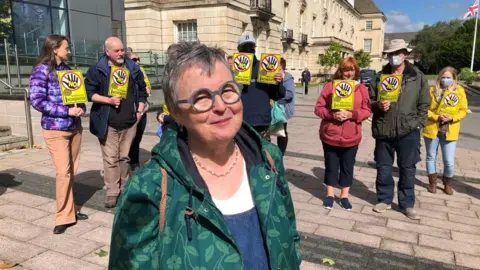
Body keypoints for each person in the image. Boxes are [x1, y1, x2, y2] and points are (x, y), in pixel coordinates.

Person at [109, 41, 301, 269]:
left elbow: (289, 235)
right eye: (201, 97)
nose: (220, 105)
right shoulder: (148, 188)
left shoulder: (268, 159)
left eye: (228, 90)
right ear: (176, 111)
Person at [29, 34, 88, 234]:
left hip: (74, 127)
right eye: (66, 47)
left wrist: (80, 108)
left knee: (71, 171)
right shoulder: (41, 71)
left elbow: (78, 97)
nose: (69, 51)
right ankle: (63, 216)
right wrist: (66, 111)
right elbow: (36, 100)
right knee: (63, 172)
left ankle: (70, 209)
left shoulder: (68, 71)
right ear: (55, 48)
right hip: (55, 129)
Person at [368, 39, 430, 219]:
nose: (394, 56)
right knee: (384, 167)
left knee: (408, 168)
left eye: (397, 53)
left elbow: (424, 105)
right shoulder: (379, 77)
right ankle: (384, 199)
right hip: (384, 129)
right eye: (390, 53)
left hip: (408, 132)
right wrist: (377, 105)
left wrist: (417, 124)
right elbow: (368, 101)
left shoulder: (417, 77)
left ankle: (407, 204)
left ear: (405, 54)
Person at [85, 36, 147, 208]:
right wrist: (108, 100)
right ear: (107, 52)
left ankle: (125, 187)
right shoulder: (97, 70)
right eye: (117, 50)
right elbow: (89, 93)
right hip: (108, 122)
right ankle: (112, 191)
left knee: (124, 157)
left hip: (130, 121)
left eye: (122, 50)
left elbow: (142, 91)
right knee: (111, 158)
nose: (121, 53)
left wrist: (139, 110)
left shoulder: (133, 68)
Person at [315, 57, 372, 210]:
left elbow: (367, 110)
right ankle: (329, 195)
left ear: (356, 71)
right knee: (331, 166)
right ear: (341, 70)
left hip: (351, 135)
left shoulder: (362, 89)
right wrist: (332, 115)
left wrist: (351, 115)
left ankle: (344, 195)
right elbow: (318, 108)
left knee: (347, 166)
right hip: (331, 134)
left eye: (352, 70)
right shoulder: (330, 87)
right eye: (346, 70)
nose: (349, 73)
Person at [423, 67, 468, 195]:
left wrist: (452, 118)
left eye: (449, 77)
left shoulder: (459, 91)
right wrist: (437, 116)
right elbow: (425, 108)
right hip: (433, 128)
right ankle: (432, 183)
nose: (445, 79)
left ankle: (447, 183)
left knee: (449, 161)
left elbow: (463, 110)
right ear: (439, 77)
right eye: (443, 77)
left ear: (454, 78)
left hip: (449, 129)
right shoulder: (432, 90)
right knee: (431, 157)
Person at [237, 32, 285, 141]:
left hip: (261, 122)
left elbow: (278, 95)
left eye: (251, 46)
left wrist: (277, 83)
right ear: (239, 49)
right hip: (240, 123)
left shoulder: (265, 67)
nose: (249, 49)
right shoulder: (233, 71)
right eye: (245, 47)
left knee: (263, 156)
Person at [127, 52, 151, 171]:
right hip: (131, 110)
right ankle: (132, 162)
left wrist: (147, 89)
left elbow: (147, 88)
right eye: (134, 59)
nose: (137, 61)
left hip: (143, 109)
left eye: (138, 59)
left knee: (138, 137)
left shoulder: (141, 71)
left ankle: (134, 161)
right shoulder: (126, 72)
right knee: (131, 137)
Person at [276, 58, 295, 155]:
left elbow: (289, 94)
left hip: (282, 110)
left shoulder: (288, 79)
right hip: (271, 109)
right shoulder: (271, 77)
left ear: (282, 68)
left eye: (278, 67)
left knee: (282, 132)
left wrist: (276, 97)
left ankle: (281, 152)